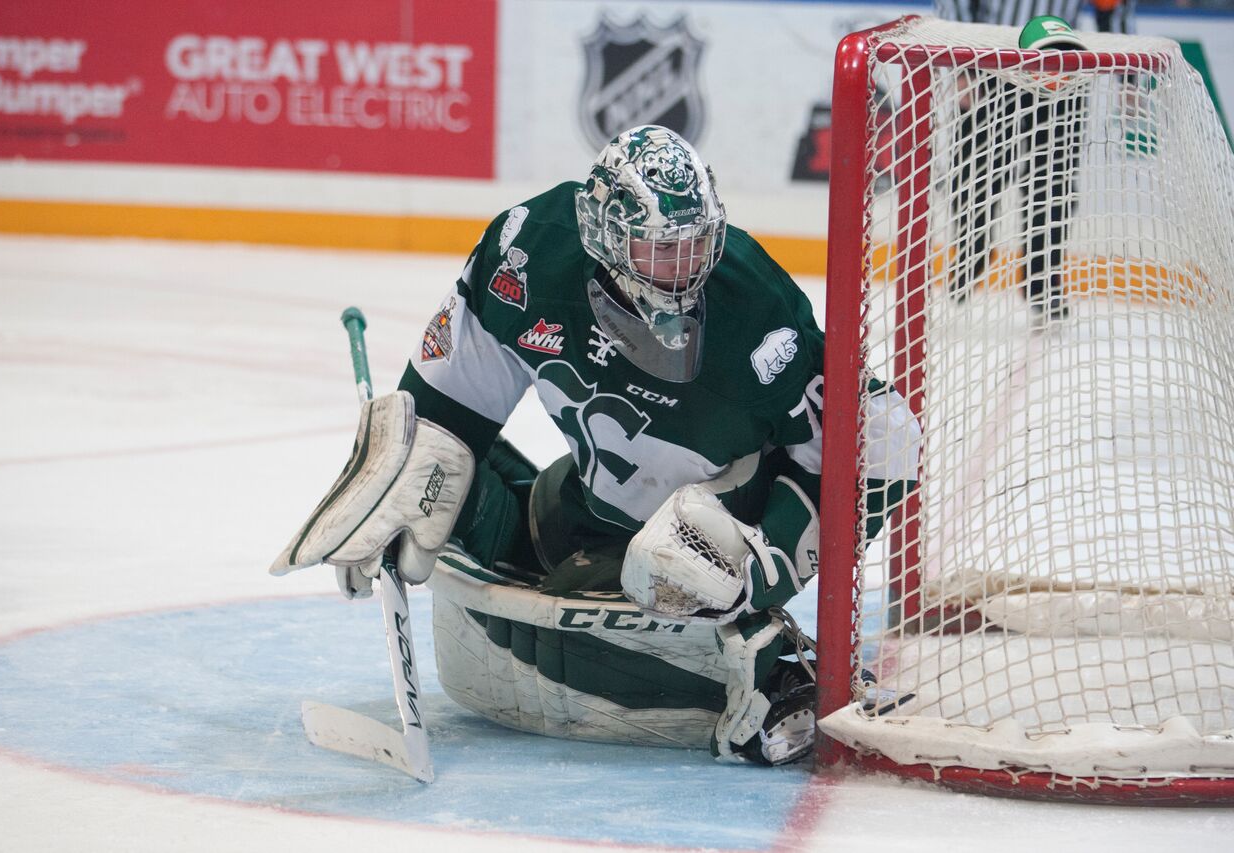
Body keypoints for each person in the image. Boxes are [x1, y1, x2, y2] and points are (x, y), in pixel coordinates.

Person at [271, 125, 921, 766]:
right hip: (584, 508)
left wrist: (767, 560)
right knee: (434, 469)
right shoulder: (529, 251)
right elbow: (447, 401)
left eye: (698, 246)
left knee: (663, 558)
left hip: (704, 531)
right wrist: (396, 465)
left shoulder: (754, 309)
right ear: (606, 237)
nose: (686, 272)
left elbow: (889, 443)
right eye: (663, 251)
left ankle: (770, 657)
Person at [938, 5, 1090, 321]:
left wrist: (1129, 77)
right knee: (974, 171)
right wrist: (965, 64)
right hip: (991, 59)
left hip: (1060, 60)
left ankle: (1042, 277)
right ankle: (972, 250)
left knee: (1053, 177)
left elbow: (1112, 7)